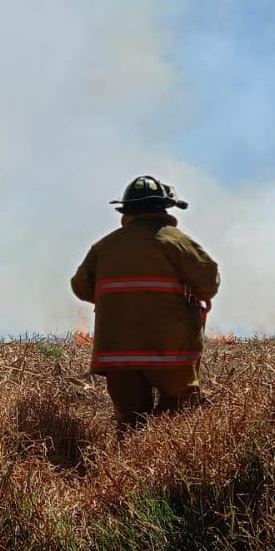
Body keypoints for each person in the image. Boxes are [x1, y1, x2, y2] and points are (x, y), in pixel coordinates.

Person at [71, 176, 220, 431]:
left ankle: (125, 466)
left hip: (117, 353)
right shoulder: (177, 242)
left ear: (126, 211)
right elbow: (209, 283)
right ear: (164, 208)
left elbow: (80, 286)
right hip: (170, 351)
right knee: (178, 412)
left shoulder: (105, 246)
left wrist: (120, 301)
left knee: (130, 422)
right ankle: (162, 465)